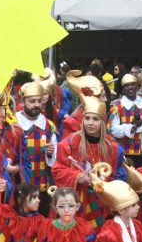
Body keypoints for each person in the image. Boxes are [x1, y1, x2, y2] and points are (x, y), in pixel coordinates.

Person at [53, 89, 126, 227]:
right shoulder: (69, 144)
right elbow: (57, 170)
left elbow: (118, 178)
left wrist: (104, 183)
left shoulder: (113, 148)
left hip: (102, 205)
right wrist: (76, 176)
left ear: (103, 122)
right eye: (87, 118)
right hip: (76, 203)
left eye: (95, 119)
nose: (90, 123)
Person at [108, 74, 142, 168]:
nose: (130, 87)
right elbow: (111, 129)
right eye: (127, 85)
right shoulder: (117, 107)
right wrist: (133, 127)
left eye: (132, 84)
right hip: (124, 151)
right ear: (123, 89)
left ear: (137, 86)